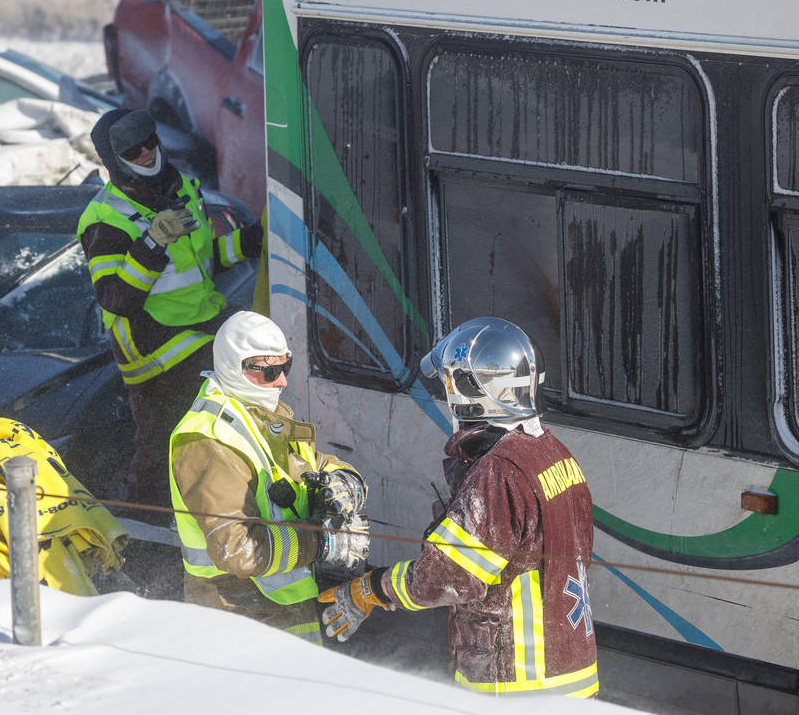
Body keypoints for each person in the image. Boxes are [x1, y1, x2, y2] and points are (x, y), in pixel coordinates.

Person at [318, 317, 598, 698]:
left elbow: (446, 576)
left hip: (516, 683)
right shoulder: (554, 455)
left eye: (451, 385)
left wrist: (370, 589)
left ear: (472, 393)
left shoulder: (500, 472)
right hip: (572, 672)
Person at [76, 108, 262, 513]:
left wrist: (257, 239)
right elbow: (115, 299)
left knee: (214, 440)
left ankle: (228, 515)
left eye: (149, 142)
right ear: (114, 159)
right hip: (155, 351)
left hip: (202, 326)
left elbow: (203, 261)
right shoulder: (106, 218)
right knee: (165, 455)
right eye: (132, 149)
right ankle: (142, 543)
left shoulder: (181, 189)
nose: (145, 153)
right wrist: (152, 244)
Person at [169, 310, 369, 641]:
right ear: (236, 367)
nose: (282, 382)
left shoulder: (258, 417)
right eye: (269, 372)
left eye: (285, 367)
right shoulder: (207, 438)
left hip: (282, 607)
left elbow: (309, 465)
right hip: (236, 616)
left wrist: (346, 482)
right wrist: (322, 543)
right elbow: (238, 548)